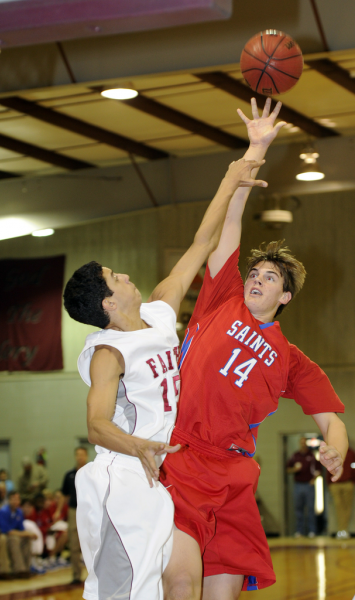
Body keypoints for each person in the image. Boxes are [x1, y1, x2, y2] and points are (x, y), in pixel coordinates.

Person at [160, 98, 348, 600]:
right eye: (256, 273)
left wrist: (337, 449)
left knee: (220, 596)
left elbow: (330, 417)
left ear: (284, 297)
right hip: (182, 456)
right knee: (180, 581)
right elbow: (229, 228)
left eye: (270, 277)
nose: (258, 278)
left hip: (235, 471)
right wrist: (255, 149)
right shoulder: (220, 299)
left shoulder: (290, 358)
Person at [63, 144, 268, 599]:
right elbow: (95, 425)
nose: (125, 276)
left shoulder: (158, 313)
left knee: (165, 587)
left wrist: (230, 179)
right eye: (115, 278)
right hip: (120, 475)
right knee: (122, 591)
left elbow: (203, 241)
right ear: (108, 304)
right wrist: (139, 445)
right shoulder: (108, 353)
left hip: (156, 474)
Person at [54, 447, 88, 585]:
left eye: (82, 455)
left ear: (86, 456)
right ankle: (76, 575)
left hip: (89, 510)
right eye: (77, 455)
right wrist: (58, 510)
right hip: (74, 510)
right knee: (74, 544)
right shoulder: (69, 475)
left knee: (93, 543)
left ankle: (96, 575)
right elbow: (63, 495)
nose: (80, 457)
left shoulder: (91, 472)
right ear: (75, 456)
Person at [0, 491, 36, 578]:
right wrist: (25, 534)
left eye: (17, 499)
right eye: (13, 499)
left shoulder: (19, 512)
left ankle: (26, 568)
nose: (15, 501)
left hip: (14, 535)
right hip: (2, 536)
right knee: (14, 539)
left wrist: (30, 534)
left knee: (27, 539)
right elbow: (7, 531)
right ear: (8, 500)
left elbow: (21, 529)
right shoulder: (2, 511)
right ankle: (19, 569)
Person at [286, 437, 321, 538]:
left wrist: (313, 480)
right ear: (299, 443)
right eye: (301, 442)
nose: (302, 444)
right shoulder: (295, 456)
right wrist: (294, 469)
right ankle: (299, 531)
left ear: (306, 443)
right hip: (298, 485)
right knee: (298, 509)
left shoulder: (312, 455)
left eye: (304, 442)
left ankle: (312, 531)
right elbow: (288, 469)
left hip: (309, 485)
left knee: (310, 509)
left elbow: (318, 470)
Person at [327, 445, 355, 539]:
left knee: (347, 508)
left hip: (347, 483)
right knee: (338, 507)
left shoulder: (351, 453)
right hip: (336, 484)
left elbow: (354, 467)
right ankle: (340, 530)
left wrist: (353, 481)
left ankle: (345, 530)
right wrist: (329, 483)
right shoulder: (333, 453)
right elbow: (329, 468)